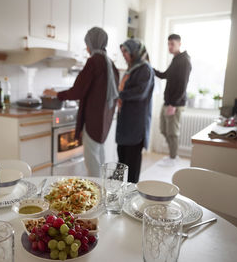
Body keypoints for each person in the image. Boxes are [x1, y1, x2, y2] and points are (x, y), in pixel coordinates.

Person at [43, 27, 119, 177]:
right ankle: (103, 189)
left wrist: (56, 94)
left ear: (91, 44)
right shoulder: (110, 63)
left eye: (87, 44)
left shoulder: (94, 62)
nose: (86, 48)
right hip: (104, 119)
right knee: (99, 157)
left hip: (93, 118)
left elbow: (78, 90)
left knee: (92, 162)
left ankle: (96, 195)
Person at [117, 39, 154, 183]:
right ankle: (117, 193)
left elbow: (140, 93)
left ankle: (131, 194)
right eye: (122, 52)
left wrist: (118, 94)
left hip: (136, 123)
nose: (124, 55)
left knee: (132, 165)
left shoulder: (145, 68)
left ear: (135, 51)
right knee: (122, 159)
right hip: (125, 121)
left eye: (126, 51)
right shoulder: (131, 68)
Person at [154, 34, 192, 166]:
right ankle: (172, 156)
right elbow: (165, 75)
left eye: (172, 44)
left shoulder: (184, 60)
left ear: (179, 44)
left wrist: (173, 104)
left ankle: (173, 157)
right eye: (168, 44)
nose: (170, 47)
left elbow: (183, 85)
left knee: (172, 133)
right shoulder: (176, 59)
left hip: (175, 104)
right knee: (164, 129)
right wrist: (150, 69)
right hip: (168, 102)